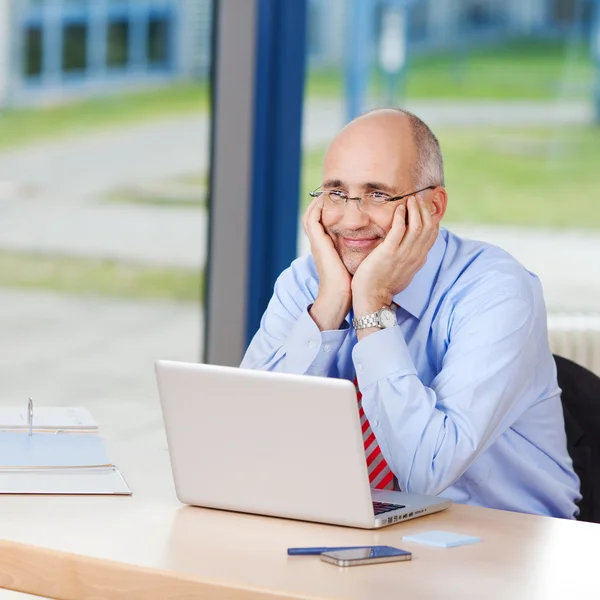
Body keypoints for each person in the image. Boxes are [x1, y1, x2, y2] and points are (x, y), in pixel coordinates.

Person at [241, 108, 580, 518]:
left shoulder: (497, 290)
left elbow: (426, 472)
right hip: (353, 524)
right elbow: (249, 441)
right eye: (335, 193)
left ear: (433, 207)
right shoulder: (309, 279)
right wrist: (329, 304)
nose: (351, 219)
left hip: (498, 543)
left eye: (378, 194)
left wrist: (372, 302)